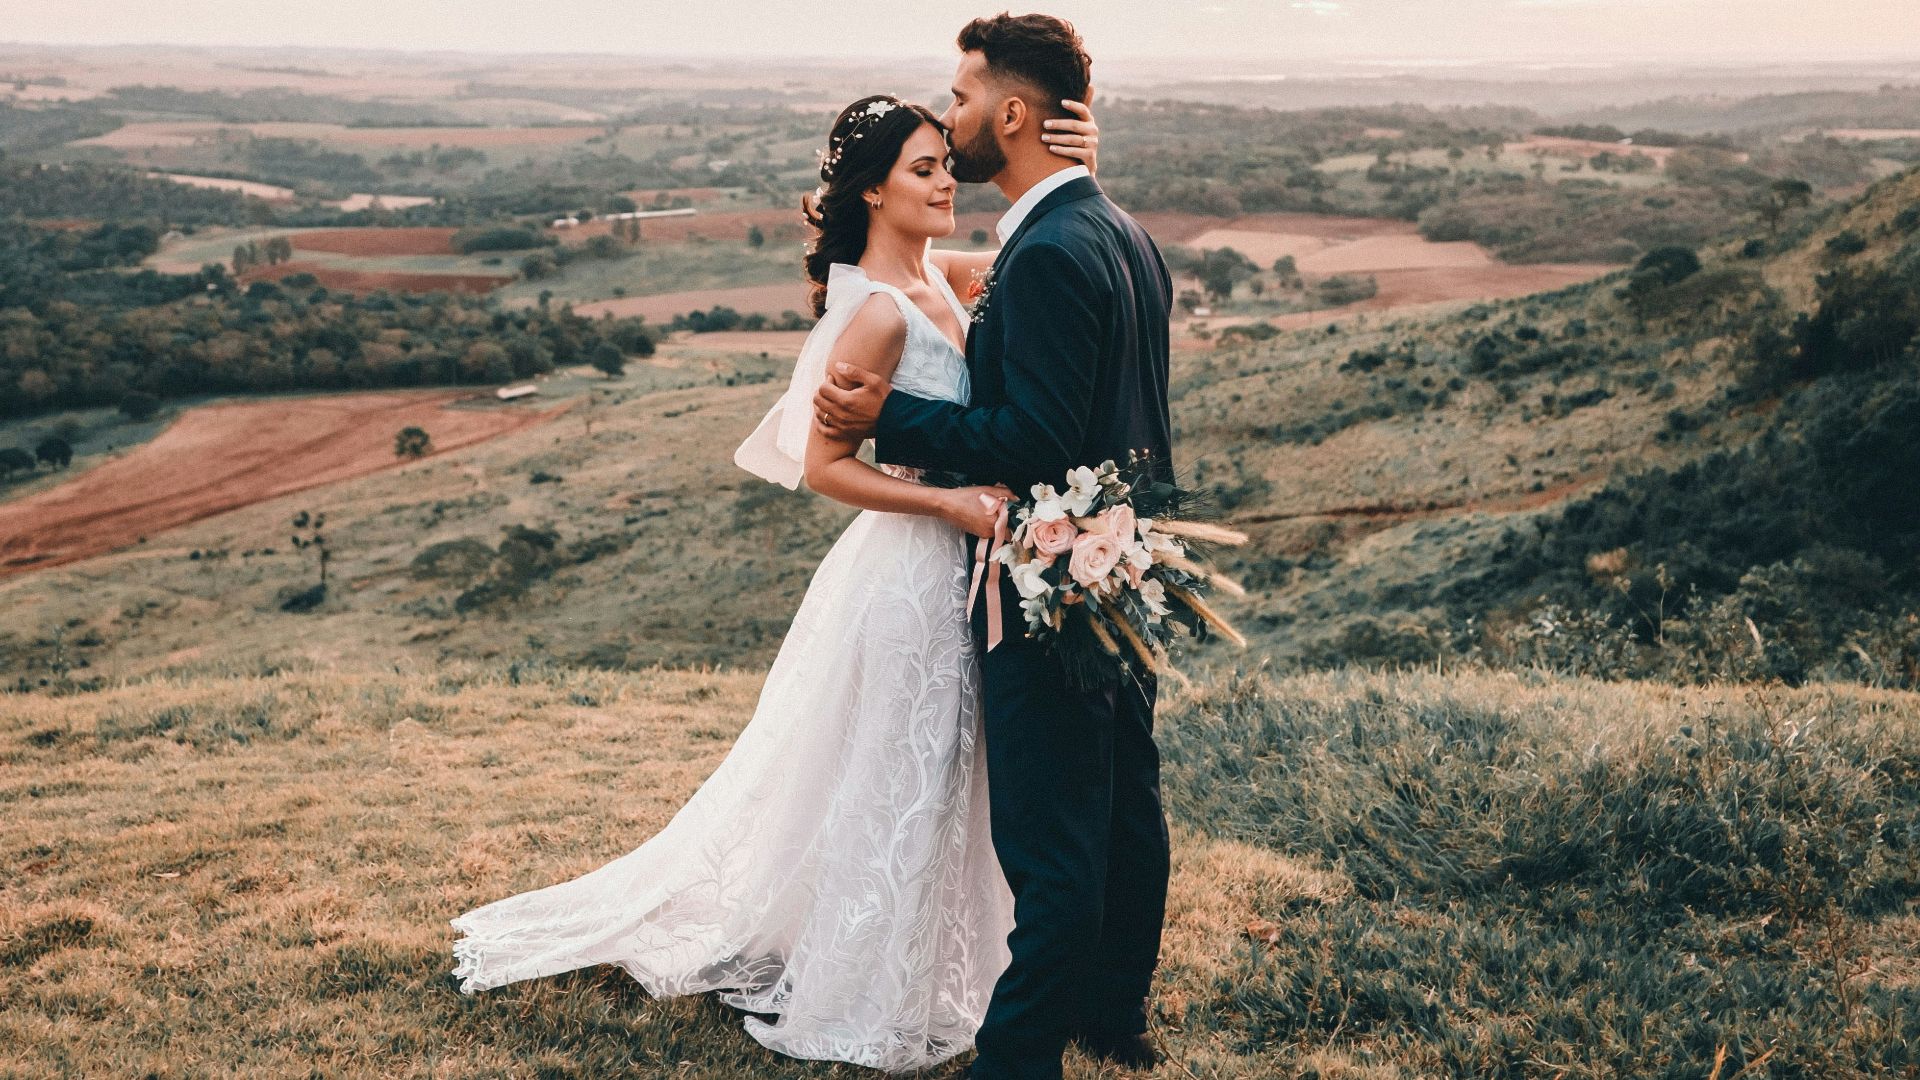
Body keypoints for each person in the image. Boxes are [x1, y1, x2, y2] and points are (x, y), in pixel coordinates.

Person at [448, 89, 1101, 1074]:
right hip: (911, 572)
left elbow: (1053, 256)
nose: (945, 184)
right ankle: (865, 983)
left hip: (962, 571)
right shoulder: (876, 315)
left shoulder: (941, 275)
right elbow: (829, 468)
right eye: (923, 170)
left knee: (944, 775)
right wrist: (956, 505)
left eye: (943, 166)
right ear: (874, 188)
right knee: (901, 779)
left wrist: (1087, 163)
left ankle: (937, 968)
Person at [813, 14, 1175, 1080]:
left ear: (1012, 114)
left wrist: (893, 419)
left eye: (963, 98)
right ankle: (1112, 1015)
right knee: (1122, 802)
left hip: (1054, 577)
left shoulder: (1056, 247)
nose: (954, 116)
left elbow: (1035, 439)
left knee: (1055, 834)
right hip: (1124, 561)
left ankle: (1016, 1056)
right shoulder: (1113, 228)